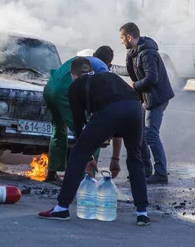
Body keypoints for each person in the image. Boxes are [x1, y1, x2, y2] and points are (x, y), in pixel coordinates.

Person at [38, 57, 150, 226]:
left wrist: (87, 154)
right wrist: (115, 157)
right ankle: (142, 213)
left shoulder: (76, 86)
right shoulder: (110, 77)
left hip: (110, 111)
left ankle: (62, 208)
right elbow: (123, 109)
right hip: (135, 109)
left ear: (72, 74)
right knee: (135, 158)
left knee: (77, 153)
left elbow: (78, 124)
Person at [111, 22, 174, 185]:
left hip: (157, 98)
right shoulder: (133, 52)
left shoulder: (147, 53)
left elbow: (152, 78)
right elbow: (129, 70)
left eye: (121, 38)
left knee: (150, 134)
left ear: (129, 37)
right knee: (141, 135)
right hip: (145, 98)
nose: (121, 41)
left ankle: (161, 173)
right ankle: (146, 170)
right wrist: (110, 68)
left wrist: (134, 86)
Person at [42, 50, 110, 185]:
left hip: (49, 89)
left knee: (58, 130)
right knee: (90, 134)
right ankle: (87, 178)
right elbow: (104, 91)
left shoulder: (78, 60)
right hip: (64, 93)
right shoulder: (102, 67)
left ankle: (52, 172)